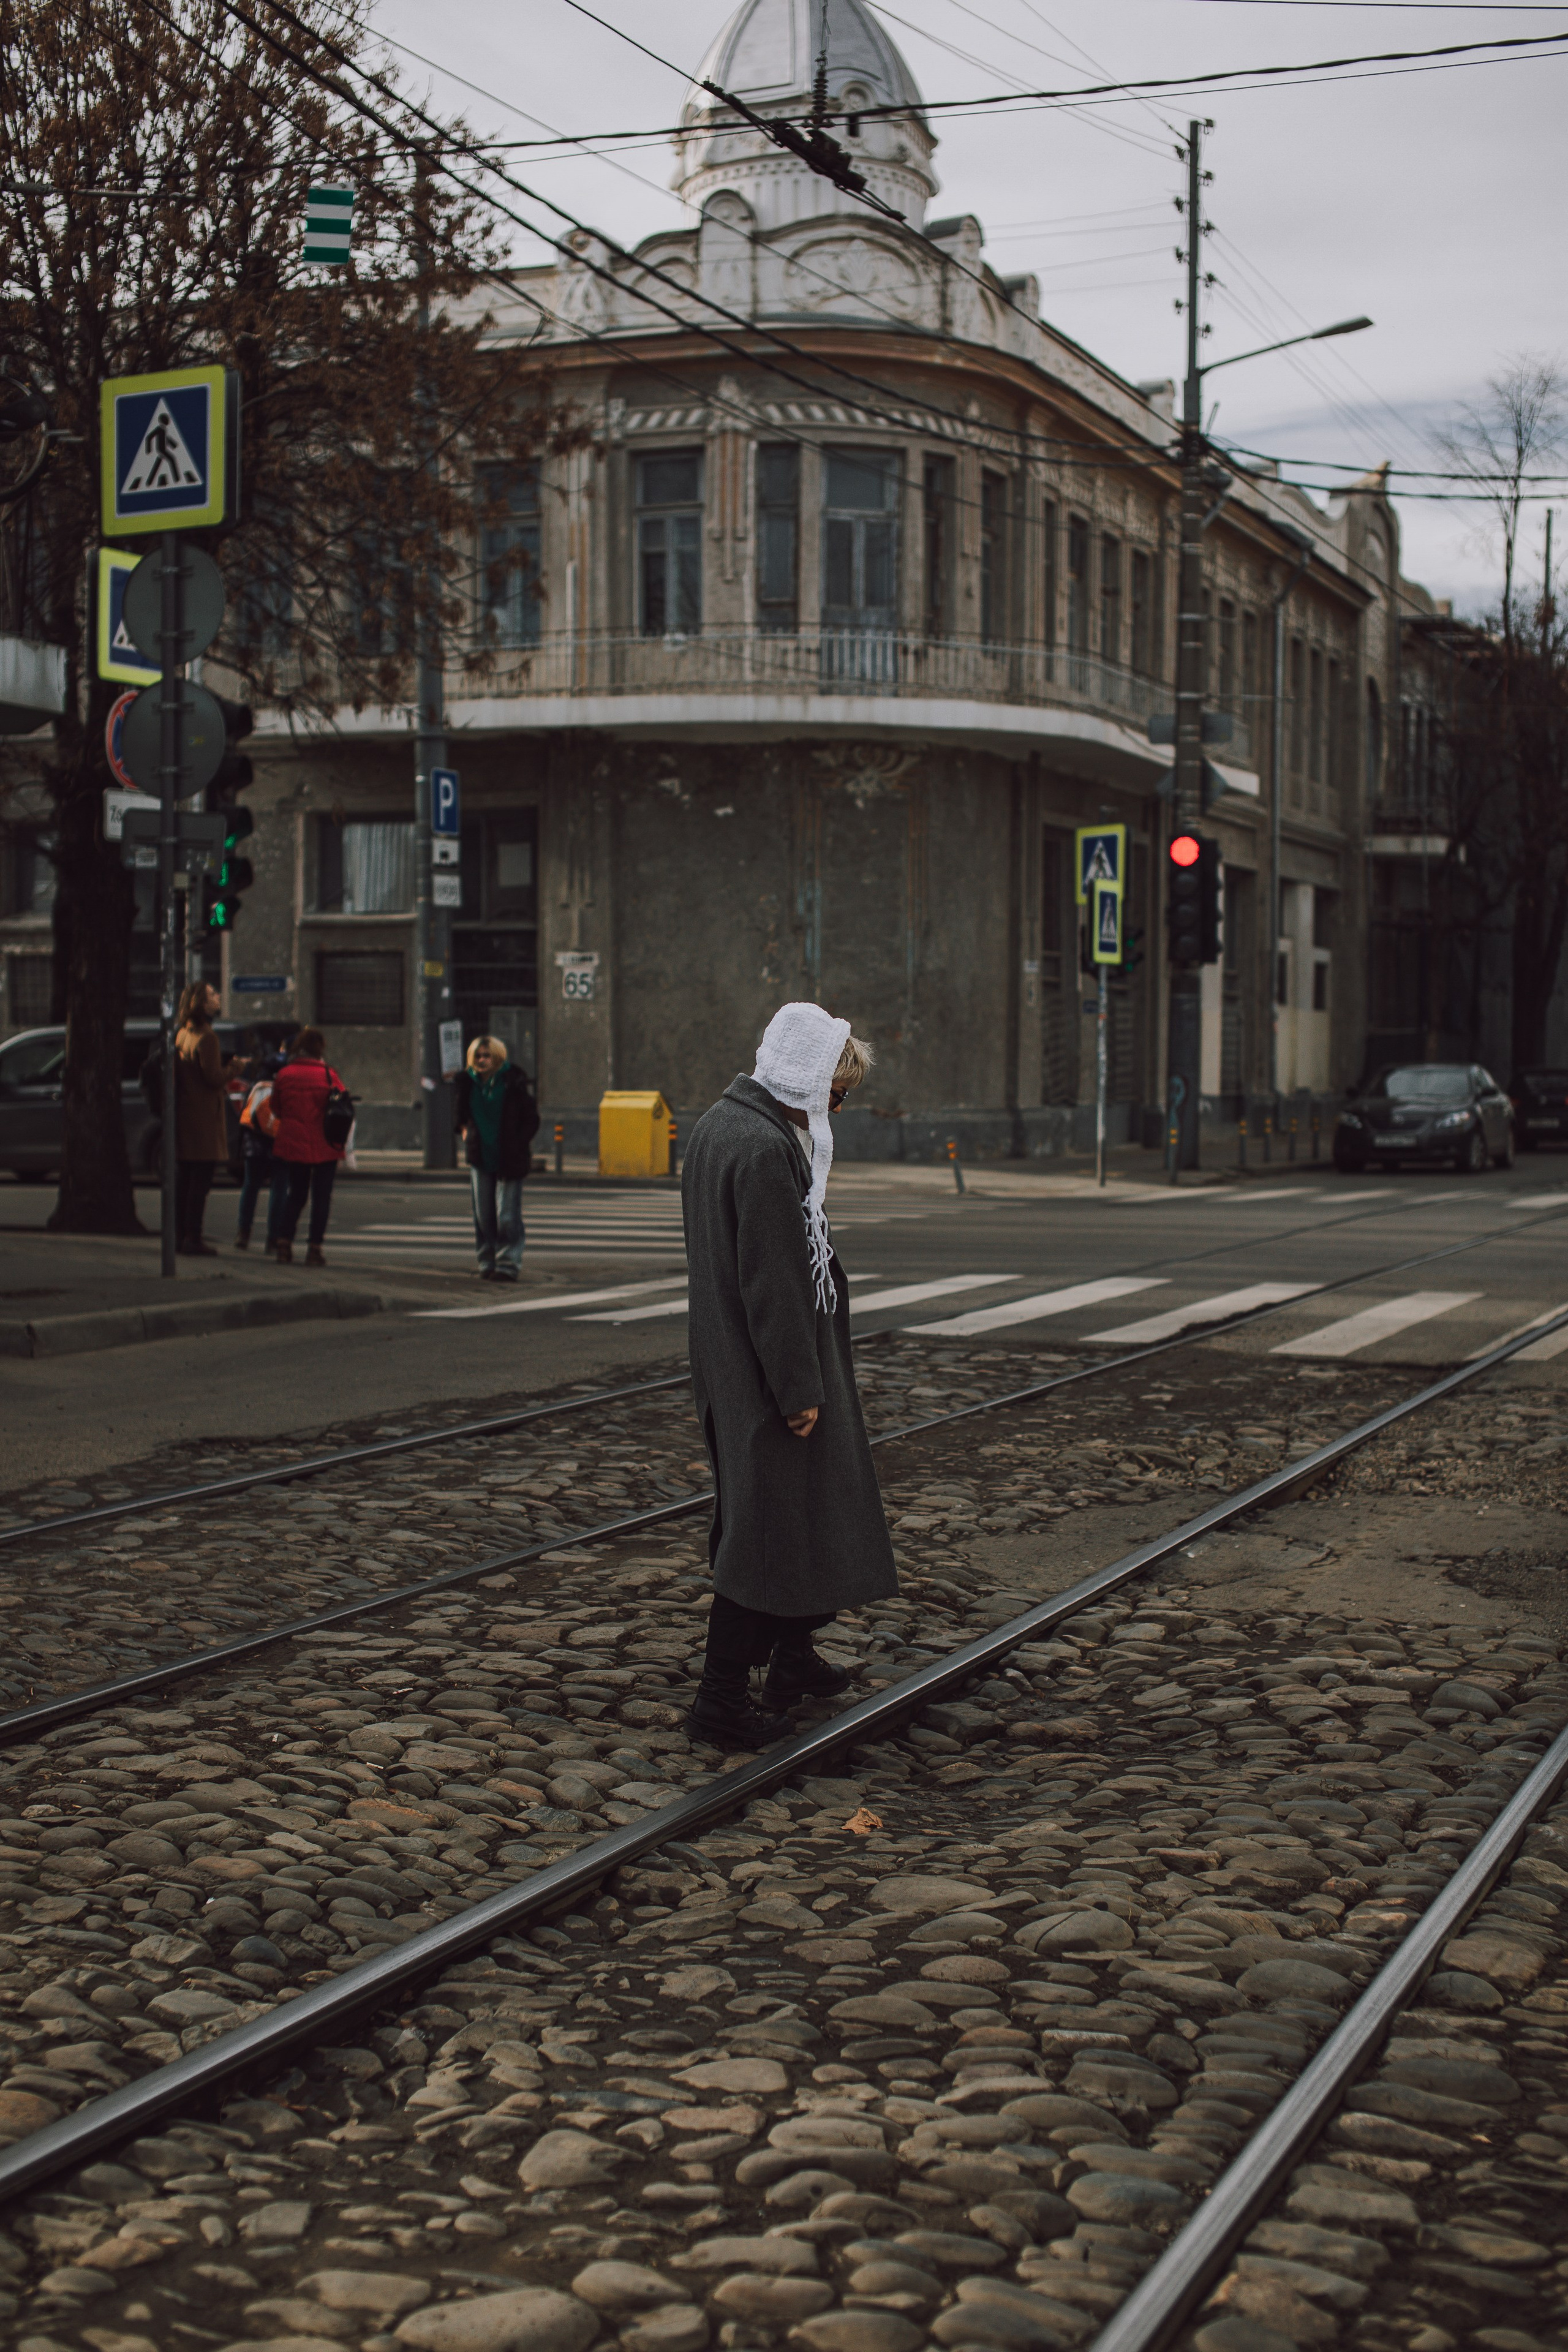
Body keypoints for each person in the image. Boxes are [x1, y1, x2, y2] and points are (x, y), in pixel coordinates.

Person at [680, 1001, 897, 1747]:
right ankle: (720, 1702)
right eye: (835, 1094)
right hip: (767, 1374)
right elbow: (774, 1282)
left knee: (801, 1513)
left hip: (728, 1360)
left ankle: (794, 1657)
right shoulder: (765, 1149)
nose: (835, 1110)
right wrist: (798, 1391)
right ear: (805, 1079)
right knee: (767, 1530)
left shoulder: (717, 1125)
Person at [454, 1034, 539, 1282]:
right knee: (484, 1215)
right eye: (478, 1056)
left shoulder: (513, 1081)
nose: (482, 1060)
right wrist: (465, 1131)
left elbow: (531, 1119)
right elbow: (460, 1114)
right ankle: (487, 1261)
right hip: (480, 1155)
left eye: (487, 1056)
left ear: (497, 1057)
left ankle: (508, 1264)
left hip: (510, 1157)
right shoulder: (467, 1082)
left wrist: (518, 1142)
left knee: (507, 1216)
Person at [268, 1027, 346, 1267]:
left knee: (296, 1195)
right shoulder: (328, 1075)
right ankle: (314, 1249)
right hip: (325, 1144)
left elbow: (275, 1108)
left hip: (294, 1143)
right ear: (319, 1049)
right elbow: (342, 1106)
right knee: (322, 1198)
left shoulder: (285, 1075)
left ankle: (284, 1246)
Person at [173, 980, 232, 1257]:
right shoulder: (208, 1037)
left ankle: (181, 1235)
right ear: (201, 1003)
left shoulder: (184, 1033)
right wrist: (236, 1067)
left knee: (186, 1181)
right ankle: (192, 1238)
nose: (217, 997)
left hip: (188, 1115)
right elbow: (213, 1078)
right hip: (204, 1118)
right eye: (211, 994)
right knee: (199, 1184)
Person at [233, 1030, 285, 1253]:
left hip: (254, 1140)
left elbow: (247, 1113)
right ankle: (273, 1239)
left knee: (251, 1186)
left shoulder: (259, 1078)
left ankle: (243, 1234)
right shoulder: (288, 1077)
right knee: (279, 1188)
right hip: (279, 1139)